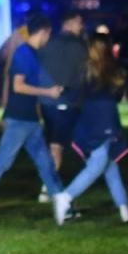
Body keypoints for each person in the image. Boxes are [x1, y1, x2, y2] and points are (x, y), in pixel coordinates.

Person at [0, 15, 67, 224]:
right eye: (49, 34)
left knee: (45, 163)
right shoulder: (24, 54)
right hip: (20, 120)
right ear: (44, 31)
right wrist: (48, 92)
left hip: (29, 120)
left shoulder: (31, 54)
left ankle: (64, 203)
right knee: (2, 164)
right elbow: (18, 86)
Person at [52, 34, 128, 225]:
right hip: (104, 121)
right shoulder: (111, 71)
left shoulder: (88, 70)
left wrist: (63, 94)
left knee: (109, 166)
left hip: (92, 120)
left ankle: (124, 209)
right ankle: (65, 197)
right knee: (99, 165)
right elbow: (118, 94)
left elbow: (76, 94)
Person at [37, 12, 88, 175]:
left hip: (47, 102)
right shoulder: (79, 47)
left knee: (54, 144)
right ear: (68, 23)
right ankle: (50, 188)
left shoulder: (48, 45)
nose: (81, 26)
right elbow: (83, 75)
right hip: (69, 101)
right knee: (60, 146)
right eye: (79, 23)